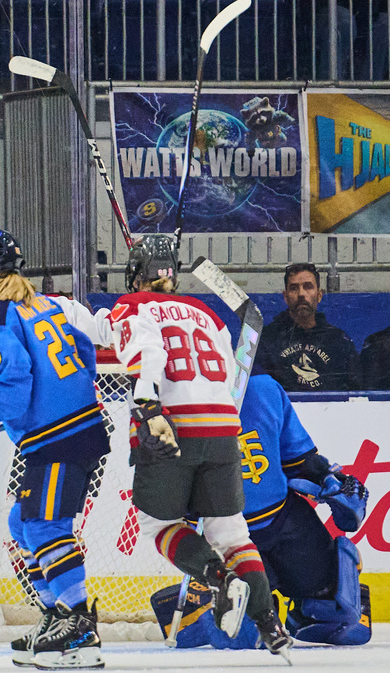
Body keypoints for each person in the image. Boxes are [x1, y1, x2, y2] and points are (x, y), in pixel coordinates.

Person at [107, 234, 293, 660]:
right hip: (224, 427)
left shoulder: (132, 306)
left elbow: (136, 355)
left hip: (171, 425)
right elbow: (228, 373)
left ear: (137, 274)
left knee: (159, 526)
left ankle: (219, 578)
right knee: (231, 532)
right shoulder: (207, 313)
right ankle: (269, 623)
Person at [0, 228, 109, 669]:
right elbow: (86, 353)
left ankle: (80, 627)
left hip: (58, 437)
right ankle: (56, 615)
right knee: (22, 522)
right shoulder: (47, 305)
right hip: (78, 429)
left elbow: (12, 392)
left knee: (46, 526)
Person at [151, 373, 371, 648]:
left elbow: (299, 461)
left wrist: (328, 479)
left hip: (286, 520)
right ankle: (200, 604)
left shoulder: (264, 390)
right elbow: (167, 501)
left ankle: (295, 608)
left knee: (340, 615)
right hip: (228, 535)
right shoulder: (166, 413)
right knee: (242, 635)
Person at [254, 263, 359, 391]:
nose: (301, 294)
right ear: (285, 297)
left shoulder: (338, 342)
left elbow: (354, 393)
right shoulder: (266, 340)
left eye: (308, 287)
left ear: (319, 295)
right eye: (294, 288)